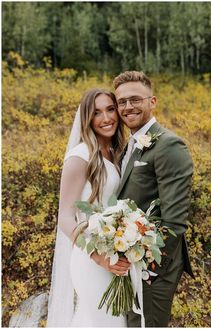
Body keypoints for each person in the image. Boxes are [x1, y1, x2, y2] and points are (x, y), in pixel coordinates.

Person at [113, 71, 194, 327]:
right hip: (129, 263)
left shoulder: (169, 145)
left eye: (135, 99)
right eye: (122, 102)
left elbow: (175, 222)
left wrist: (149, 271)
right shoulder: (132, 143)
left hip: (154, 268)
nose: (128, 107)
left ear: (152, 101)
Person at [47, 88, 130, 327]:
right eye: (97, 113)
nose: (106, 118)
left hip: (115, 257)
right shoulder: (79, 156)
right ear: (87, 119)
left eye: (110, 109)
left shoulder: (115, 152)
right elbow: (65, 217)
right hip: (91, 259)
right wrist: (98, 256)